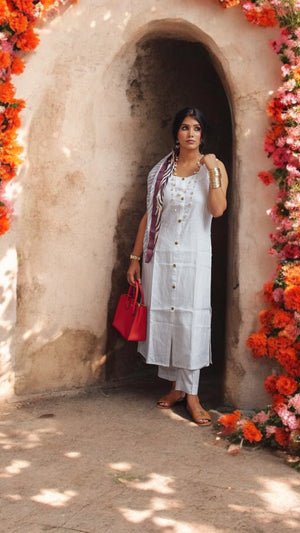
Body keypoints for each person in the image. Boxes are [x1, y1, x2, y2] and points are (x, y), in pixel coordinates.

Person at [126, 107, 229, 426]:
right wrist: (134, 257)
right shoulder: (161, 171)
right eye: (184, 127)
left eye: (196, 128)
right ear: (176, 133)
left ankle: (193, 395)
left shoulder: (214, 168)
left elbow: (218, 209)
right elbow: (149, 215)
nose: (190, 133)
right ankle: (176, 388)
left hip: (193, 257)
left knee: (191, 319)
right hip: (160, 257)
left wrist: (211, 171)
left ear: (203, 135)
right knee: (168, 320)